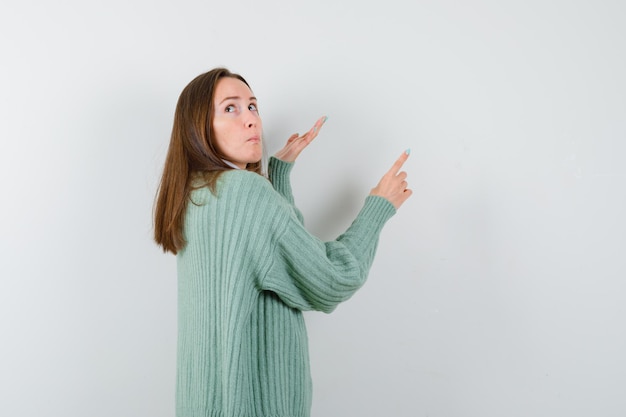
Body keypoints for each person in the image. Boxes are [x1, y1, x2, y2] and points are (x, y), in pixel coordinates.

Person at [153, 67, 412, 417]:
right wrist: (378, 208)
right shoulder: (247, 192)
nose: (251, 120)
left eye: (253, 106)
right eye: (230, 108)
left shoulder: (194, 196)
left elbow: (268, 260)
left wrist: (277, 175)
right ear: (198, 127)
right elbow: (332, 279)